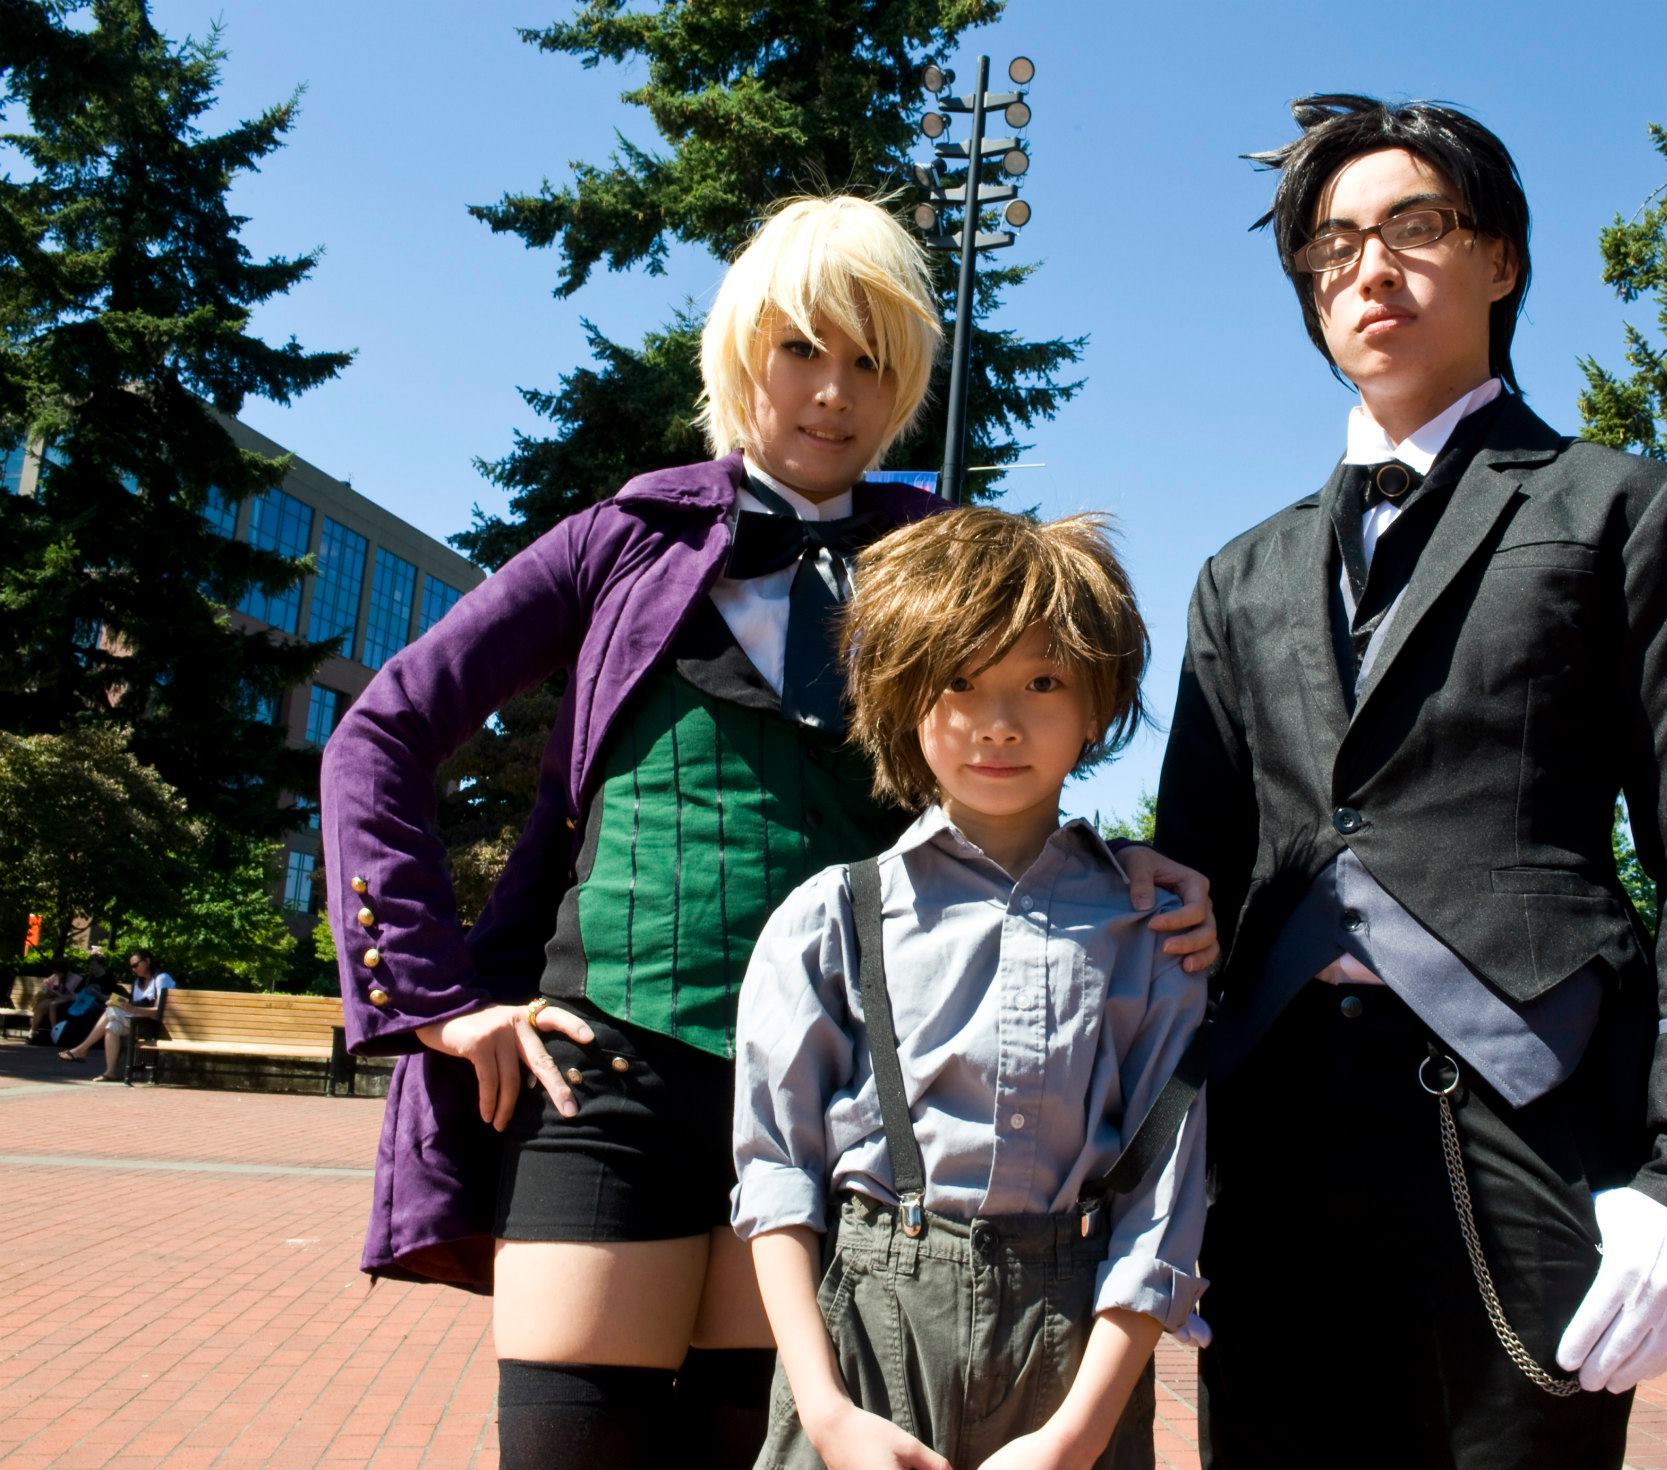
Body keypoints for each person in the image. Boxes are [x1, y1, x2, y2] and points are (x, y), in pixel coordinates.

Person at [318, 195, 1217, 1470]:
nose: (833, 393)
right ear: (741, 352)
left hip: (840, 1102)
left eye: (871, 362)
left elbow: (1014, 735)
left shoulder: (939, 558)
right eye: (801, 349)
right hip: (609, 1068)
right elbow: (379, 734)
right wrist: (438, 1002)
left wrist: (1114, 869)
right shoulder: (620, 542)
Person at [1152, 96, 1667, 1468]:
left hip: (1525, 1106)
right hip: (1276, 1128)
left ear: (1502, 258)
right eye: (1332, 245)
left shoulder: (1627, 509)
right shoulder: (1238, 575)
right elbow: (1193, 882)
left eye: (1415, 226)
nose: (1369, 267)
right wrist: (1152, 1160)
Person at [734, 507, 1207, 1470]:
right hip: (864, 1341)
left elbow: (1163, 1206)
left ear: (1099, 702)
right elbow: (776, 1174)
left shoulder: (1152, 933)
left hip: (1077, 1357)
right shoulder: (831, 918)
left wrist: (1077, 1436)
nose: (997, 721)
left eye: (1043, 681)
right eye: (956, 679)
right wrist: (825, 1412)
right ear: (903, 694)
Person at [58, 949, 173, 1081]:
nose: (134, 969)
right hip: (135, 1021)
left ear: (147, 961)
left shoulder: (161, 979)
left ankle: (82, 1049)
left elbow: (159, 1010)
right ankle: (110, 1072)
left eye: (136, 965)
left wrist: (132, 1009)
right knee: (111, 1026)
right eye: (132, 967)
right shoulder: (138, 982)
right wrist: (120, 1002)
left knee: (111, 1010)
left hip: (152, 1025)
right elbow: (133, 1004)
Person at [28, 963, 85, 1043]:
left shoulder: (76, 979)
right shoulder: (55, 976)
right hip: (56, 998)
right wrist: (47, 990)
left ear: (63, 972)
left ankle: (54, 1032)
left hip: (69, 1000)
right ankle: (33, 1030)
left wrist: (62, 995)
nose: (56, 974)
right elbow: (45, 986)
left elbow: (77, 995)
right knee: (41, 1006)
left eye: (58, 973)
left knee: (53, 1004)